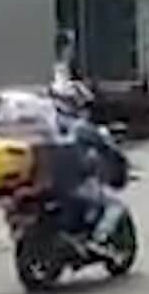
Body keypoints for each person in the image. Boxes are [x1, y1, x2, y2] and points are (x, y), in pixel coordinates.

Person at [50, 83, 129, 253]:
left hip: (42, 187)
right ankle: (99, 239)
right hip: (73, 185)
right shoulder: (82, 128)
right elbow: (109, 150)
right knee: (115, 206)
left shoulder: (43, 127)